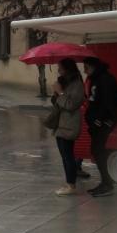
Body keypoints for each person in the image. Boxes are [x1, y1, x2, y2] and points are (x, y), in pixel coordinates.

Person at [82, 56, 117, 196]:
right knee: (97, 151)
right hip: (97, 122)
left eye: (86, 67)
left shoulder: (105, 80)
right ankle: (106, 182)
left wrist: (100, 120)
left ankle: (107, 183)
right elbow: (94, 99)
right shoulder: (96, 79)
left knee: (98, 150)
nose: (85, 71)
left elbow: (107, 102)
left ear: (94, 66)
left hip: (103, 122)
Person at [48, 58, 86, 195]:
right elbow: (57, 103)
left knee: (68, 156)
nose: (59, 71)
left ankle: (71, 185)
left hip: (69, 125)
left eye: (61, 68)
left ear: (68, 69)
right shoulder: (65, 82)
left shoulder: (77, 84)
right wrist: (56, 93)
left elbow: (71, 105)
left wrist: (61, 93)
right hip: (60, 124)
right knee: (64, 156)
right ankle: (69, 183)